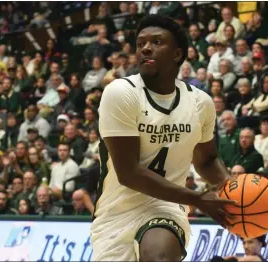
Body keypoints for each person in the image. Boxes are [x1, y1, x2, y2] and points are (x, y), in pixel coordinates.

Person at [91, 15, 237, 261]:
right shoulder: (120, 93)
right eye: (140, 44)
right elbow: (129, 173)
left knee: (160, 255)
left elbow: (208, 160)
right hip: (116, 213)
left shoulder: (200, 103)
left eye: (157, 42)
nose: (146, 48)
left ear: (178, 54)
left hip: (167, 206)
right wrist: (197, 199)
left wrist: (235, 195)